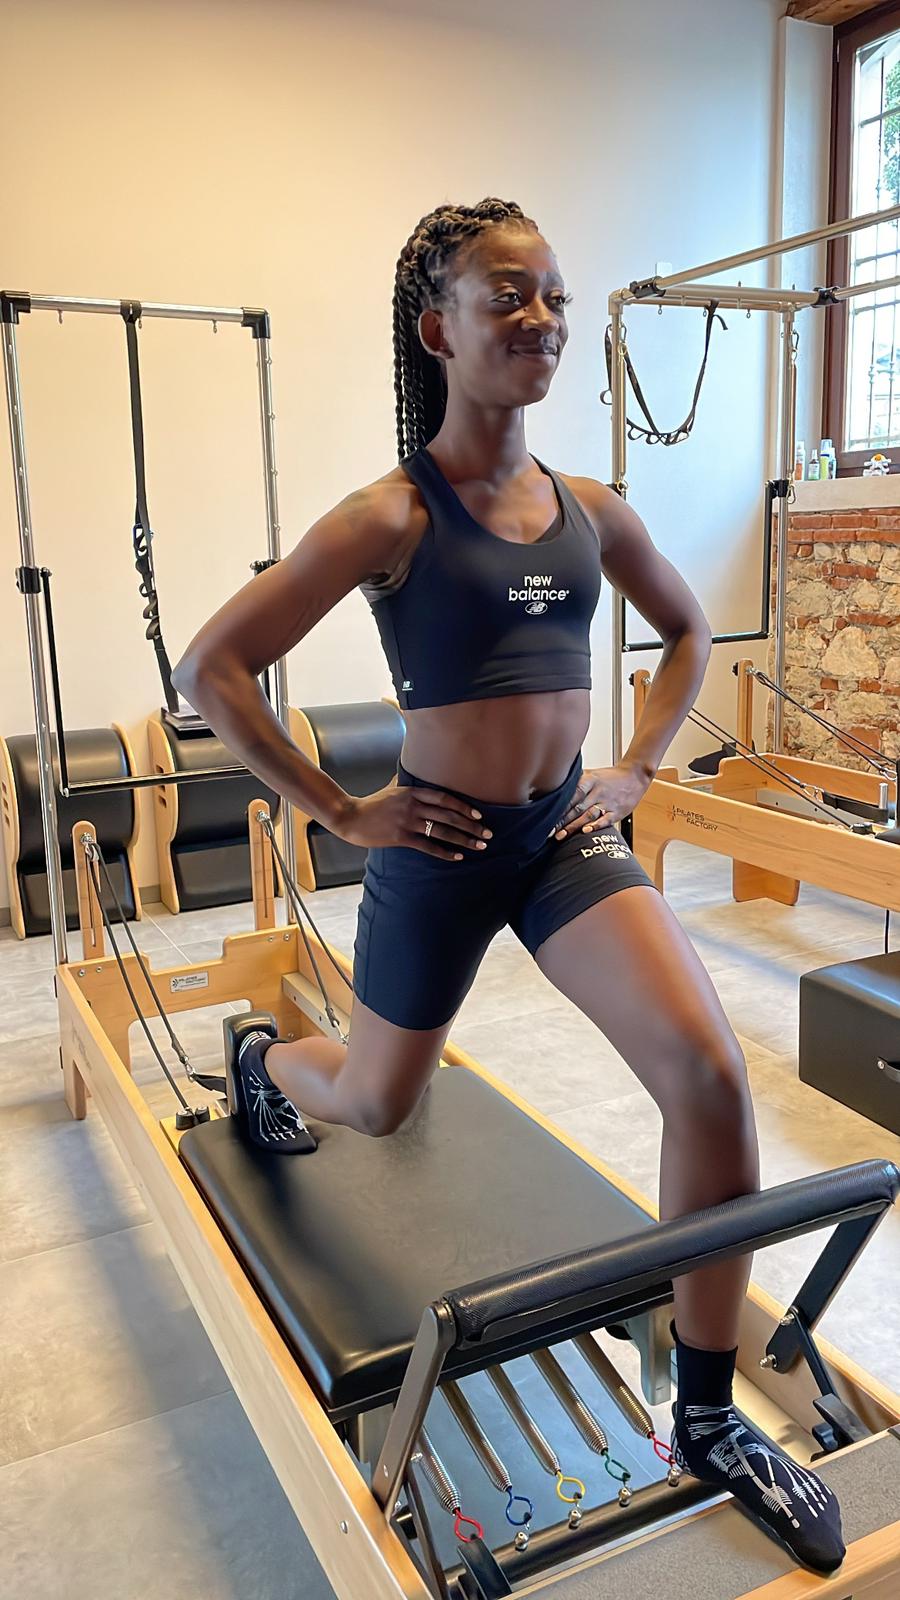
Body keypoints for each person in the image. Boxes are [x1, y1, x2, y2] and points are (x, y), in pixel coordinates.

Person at [173, 197, 843, 1572]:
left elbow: (687, 631)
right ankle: (264, 1059)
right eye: (507, 297)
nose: (541, 319)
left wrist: (639, 767)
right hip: (436, 852)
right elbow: (211, 670)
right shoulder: (390, 515)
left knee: (709, 1078)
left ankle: (707, 1419)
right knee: (376, 1101)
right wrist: (340, 810)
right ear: (439, 329)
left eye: (553, 296)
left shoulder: (592, 510)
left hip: (558, 838)